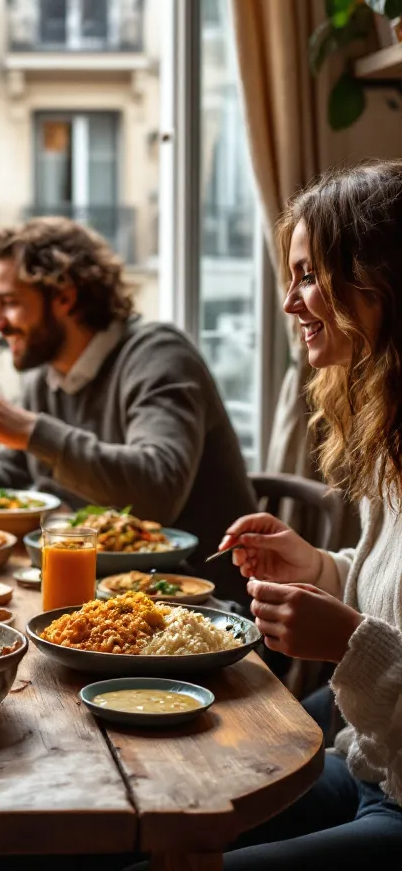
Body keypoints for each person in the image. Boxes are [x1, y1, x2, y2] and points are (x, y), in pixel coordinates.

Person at [206, 159, 402, 867]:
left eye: (310, 276)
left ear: (379, 284)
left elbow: (377, 635)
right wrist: (320, 567)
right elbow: (394, 591)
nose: (292, 303)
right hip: (369, 759)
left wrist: (350, 643)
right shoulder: (392, 438)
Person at [0, 217, 256, 604]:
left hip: (197, 603)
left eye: (10, 302)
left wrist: (35, 431)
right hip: (102, 593)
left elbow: (158, 488)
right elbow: (17, 466)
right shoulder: (48, 375)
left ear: (65, 297)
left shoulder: (158, 355)